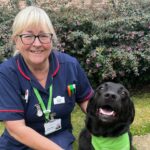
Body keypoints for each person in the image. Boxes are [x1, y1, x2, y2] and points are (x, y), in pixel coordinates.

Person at [0, 6, 94, 150]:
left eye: (43, 35)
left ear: (51, 38)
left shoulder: (69, 65)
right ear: (16, 41)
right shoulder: (6, 73)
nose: (37, 44)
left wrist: (105, 120)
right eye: (28, 36)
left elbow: (86, 99)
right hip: (19, 145)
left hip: (58, 138)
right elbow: (16, 129)